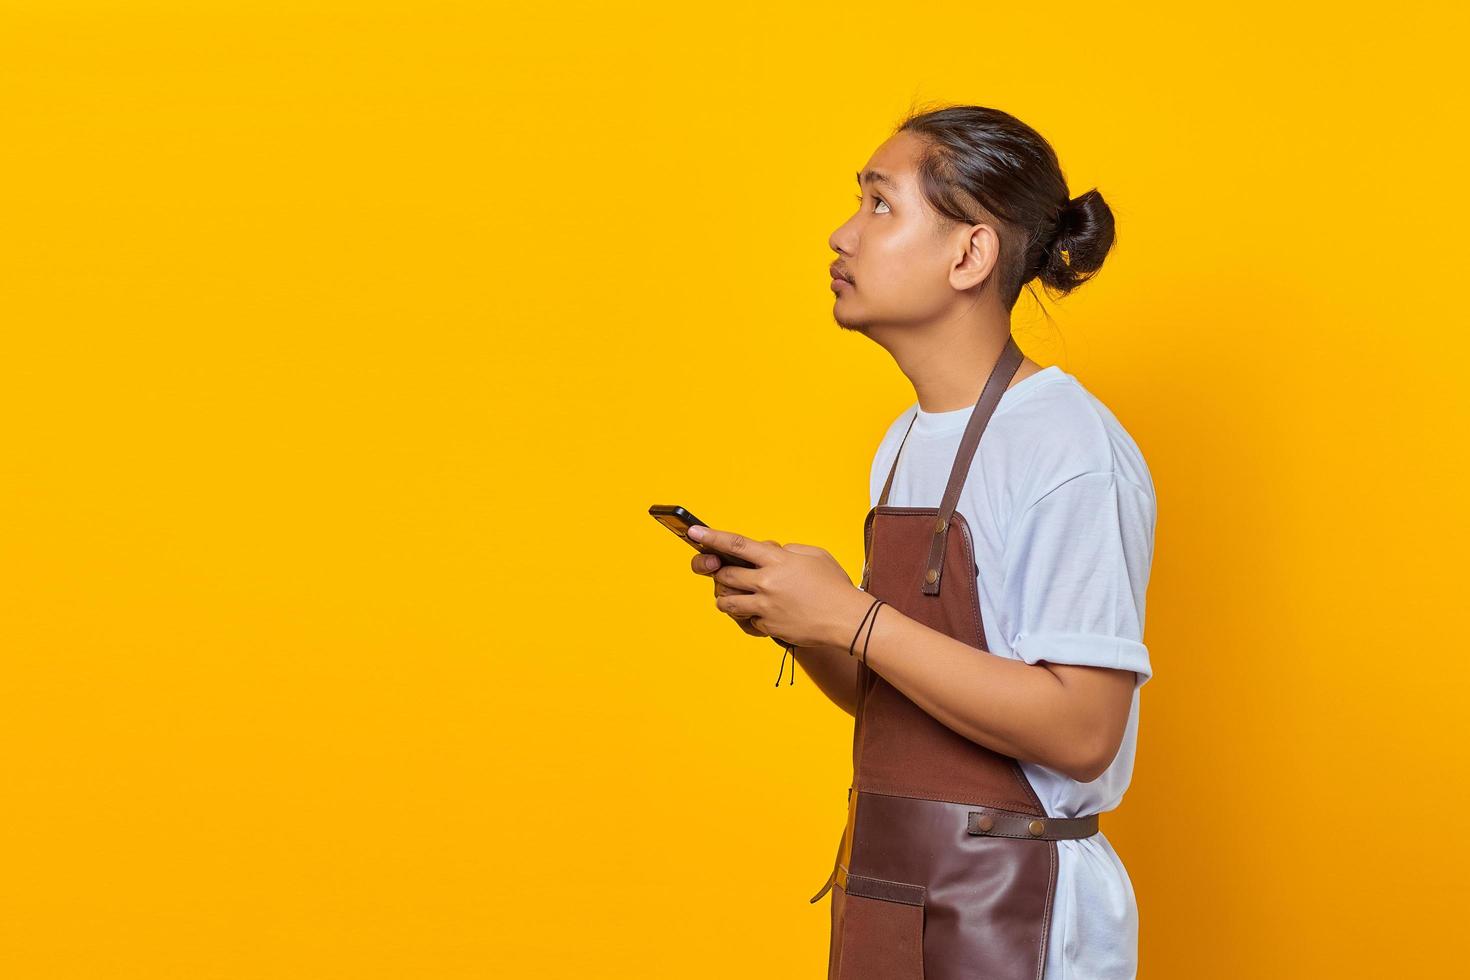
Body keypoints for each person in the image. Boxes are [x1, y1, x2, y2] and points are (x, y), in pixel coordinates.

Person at [688, 104, 1156, 979]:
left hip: (1014, 907)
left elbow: (1085, 729)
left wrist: (854, 617)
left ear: (969, 255)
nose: (841, 234)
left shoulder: (1069, 448)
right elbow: (904, 703)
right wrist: (802, 617)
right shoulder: (905, 439)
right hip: (893, 890)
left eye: (879, 205)